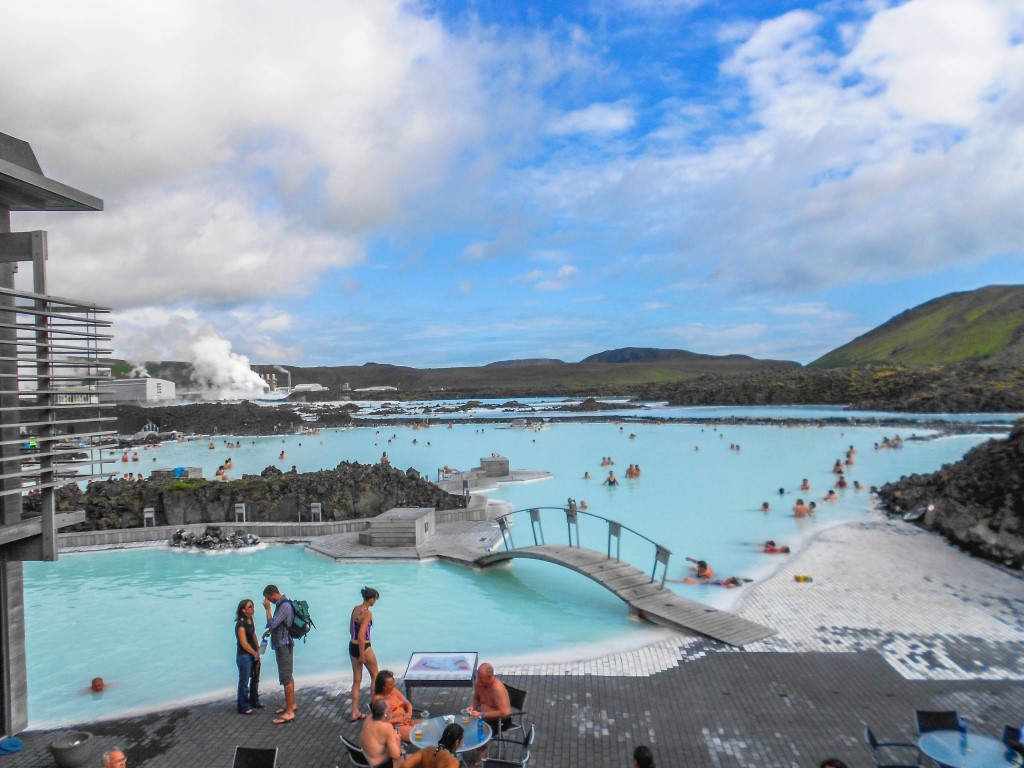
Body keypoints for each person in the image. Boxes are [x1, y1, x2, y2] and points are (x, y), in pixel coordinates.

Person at [261, 584, 296, 724]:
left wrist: (267, 610)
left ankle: (290, 712)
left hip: (283, 644)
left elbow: (272, 624)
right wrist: (269, 632)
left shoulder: (283, 606)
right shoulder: (282, 605)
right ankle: (291, 704)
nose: (268, 601)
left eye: (268, 598)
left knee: (285, 678)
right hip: (284, 642)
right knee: (289, 675)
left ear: (274, 594)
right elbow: (278, 625)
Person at [350, 586, 380, 722]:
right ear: (371, 599)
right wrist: (362, 654)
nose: (375, 602)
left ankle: (355, 712)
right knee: (376, 676)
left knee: (357, 680)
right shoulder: (367, 613)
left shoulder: (355, 608)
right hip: (364, 647)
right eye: (375, 599)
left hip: (352, 645)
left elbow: (351, 630)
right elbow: (362, 635)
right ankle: (375, 710)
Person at [372, 669, 419, 742]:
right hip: (396, 727)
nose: (393, 686)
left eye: (393, 683)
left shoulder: (393, 690)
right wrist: (396, 720)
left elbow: (407, 703)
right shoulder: (378, 700)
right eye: (390, 684)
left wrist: (409, 714)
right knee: (419, 736)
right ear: (383, 686)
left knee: (427, 726)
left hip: (407, 720)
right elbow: (379, 724)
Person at [235, 598, 264, 715]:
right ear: (243, 610)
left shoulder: (250, 619)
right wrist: (254, 653)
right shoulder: (240, 623)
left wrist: (259, 651)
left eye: (252, 606)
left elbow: (253, 635)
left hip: (253, 654)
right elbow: (244, 643)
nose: (253, 608)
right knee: (244, 681)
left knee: (255, 678)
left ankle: (254, 700)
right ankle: (243, 706)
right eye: (250, 606)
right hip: (244, 656)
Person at [468, 662, 513, 734]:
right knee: (466, 728)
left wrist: (481, 714)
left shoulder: (497, 688)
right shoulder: (478, 683)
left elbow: (503, 712)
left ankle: (482, 744)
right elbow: (477, 698)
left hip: (500, 721)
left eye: (481, 678)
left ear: (489, 676)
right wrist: (472, 707)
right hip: (483, 717)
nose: (478, 681)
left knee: (477, 733)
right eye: (478, 677)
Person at [361, 698, 404, 768]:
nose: (392, 710)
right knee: (409, 759)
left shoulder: (368, 718)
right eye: (391, 709)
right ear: (385, 714)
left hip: (364, 760)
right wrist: (397, 738)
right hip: (379, 765)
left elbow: (378, 728)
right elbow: (396, 756)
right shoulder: (387, 728)